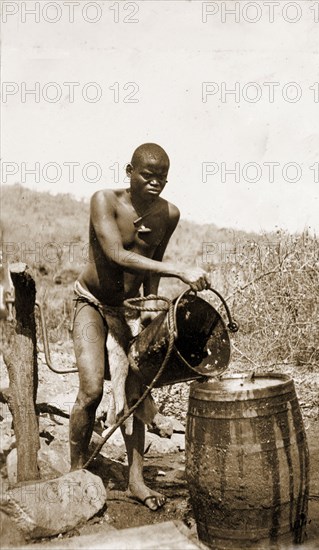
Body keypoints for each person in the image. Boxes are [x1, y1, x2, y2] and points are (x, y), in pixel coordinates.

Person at [69, 143, 210, 511]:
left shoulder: (168, 214)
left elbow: (152, 258)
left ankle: (136, 481)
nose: (156, 183)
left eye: (163, 177)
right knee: (91, 388)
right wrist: (181, 271)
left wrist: (150, 303)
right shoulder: (104, 200)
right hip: (92, 302)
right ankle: (74, 472)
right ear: (129, 169)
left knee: (137, 390)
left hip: (129, 309)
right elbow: (116, 254)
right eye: (148, 175)